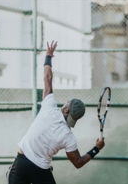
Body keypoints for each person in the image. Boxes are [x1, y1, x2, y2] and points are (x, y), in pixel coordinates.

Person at [7, 41, 105, 184]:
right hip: (40, 170)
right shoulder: (68, 137)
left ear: (66, 109)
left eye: (67, 103)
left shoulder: (49, 107)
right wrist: (97, 148)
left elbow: (47, 78)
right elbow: (78, 162)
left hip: (21, 164)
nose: (65, 103)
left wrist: (48, 56)